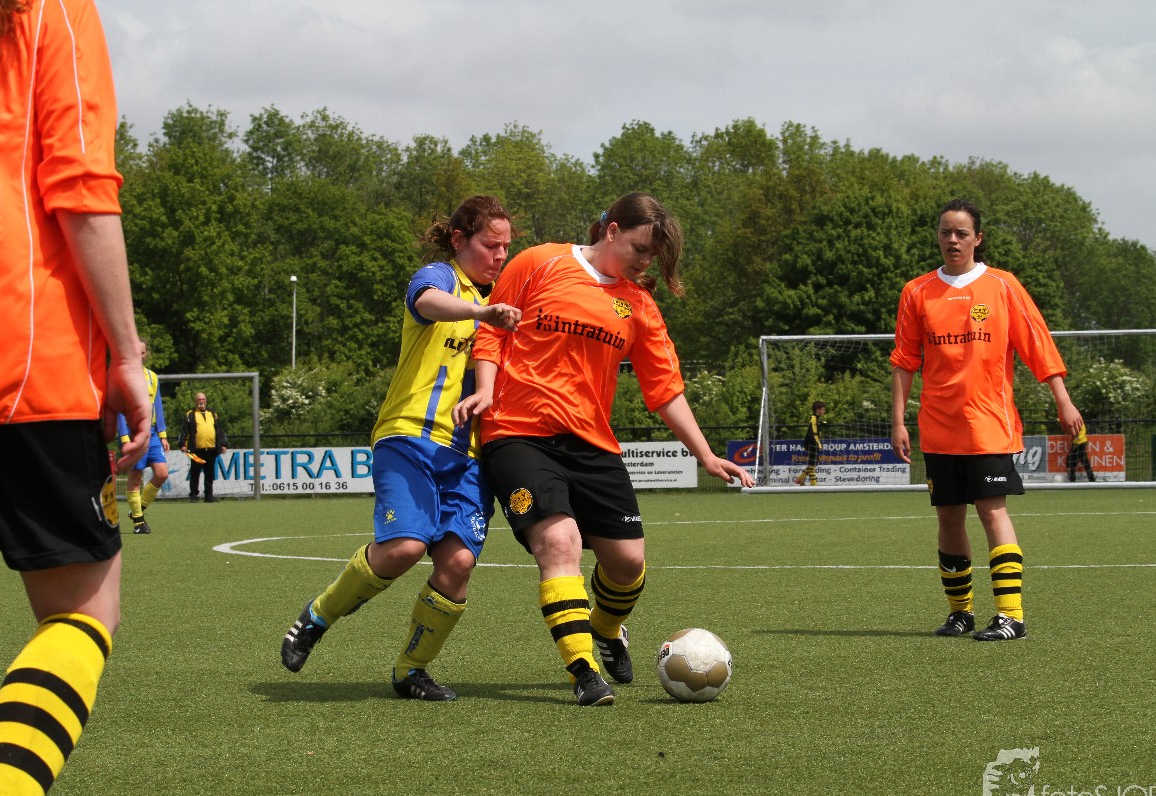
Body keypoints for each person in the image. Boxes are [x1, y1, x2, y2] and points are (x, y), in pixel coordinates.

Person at [0, 0, 149, 796]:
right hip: (17, 355)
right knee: (81, 611)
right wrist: (127, 354)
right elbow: (81, 190)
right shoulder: (49, 9)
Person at [452, 192, 756, 707]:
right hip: (517, 432)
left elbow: (665, 390)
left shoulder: (638, 306)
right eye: (640, 248)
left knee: (628, 563)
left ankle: (608, 630)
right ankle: (584, 671)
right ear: (611, 230)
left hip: (591, 440)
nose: (645, 262)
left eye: (653, 256)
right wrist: (484, 388)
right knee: (560, 542)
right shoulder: (539, 262)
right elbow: (492, 332)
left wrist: (704, 454)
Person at [280, 195, 521, 701]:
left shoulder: (507, 299)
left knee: (458, 564)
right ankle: (317, 616)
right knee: (405, 547)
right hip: (410, 435)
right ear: (459, 240)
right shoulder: (440, 277)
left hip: (471, 456)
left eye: (506, 247)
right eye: (490, 245)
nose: (500, 255)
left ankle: (410, 671)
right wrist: (483, 312)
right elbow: (426, 303)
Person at [890, 199, 1083, 642]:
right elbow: (904, 361)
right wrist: (898, 421)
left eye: (961, 233)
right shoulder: (916, 292)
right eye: (945, 232)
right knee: (948, 517)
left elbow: (1037, 343)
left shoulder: (1002, 285)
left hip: (989, 423)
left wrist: (1064, 400)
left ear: (978, 239)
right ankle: (961, 614)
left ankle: (1011, 616)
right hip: (938, 425)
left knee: (992, 511)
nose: (952, 240)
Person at [114, 340, 169, 533]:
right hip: (134, 433)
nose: (139, 355)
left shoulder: (153, 377)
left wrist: (163, 435)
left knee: (162, 474)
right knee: (135, 477)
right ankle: (138, 523)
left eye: (142, 352)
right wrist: (125, 438)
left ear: (146, 355)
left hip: (151, 434)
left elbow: (158, 407)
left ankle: (138, 509)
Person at [178, 392, 229, 501]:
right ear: (195, 402)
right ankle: (193, 495)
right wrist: (182, 444)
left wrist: (223, 444)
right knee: (195, 473)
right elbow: (184, 431)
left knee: (210, 474)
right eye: (198, 400)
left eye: (203, 399)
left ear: (206, 401)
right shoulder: (190, 414)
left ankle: (208, 496)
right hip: (196, 450)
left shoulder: (213, 413)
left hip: (211, 450)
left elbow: (219, 430)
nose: (201, 401)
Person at [793, 400, 826, 486]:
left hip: (811, 443)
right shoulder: (813, 419)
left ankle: (799, 479)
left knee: (814, 464)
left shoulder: (816, 419)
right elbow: (813, 434)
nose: (824, 411)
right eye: (823, 409)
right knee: (812, 466)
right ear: (817, 409)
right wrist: (818, 444)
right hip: (812, 444)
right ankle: (814, 485)